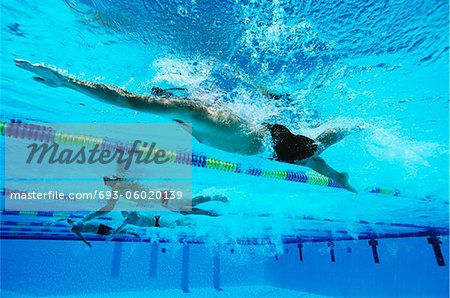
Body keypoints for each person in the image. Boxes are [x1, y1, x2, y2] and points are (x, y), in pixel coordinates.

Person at [15, 59, 358, 192]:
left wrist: (67, 82)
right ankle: (340, 177)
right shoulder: (186, 119)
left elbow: (124, 99)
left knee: (317, 147)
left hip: (271, 144)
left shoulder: (193, 113)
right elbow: (131, 100)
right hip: (264, 145)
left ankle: (353, 125)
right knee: (311, 161)